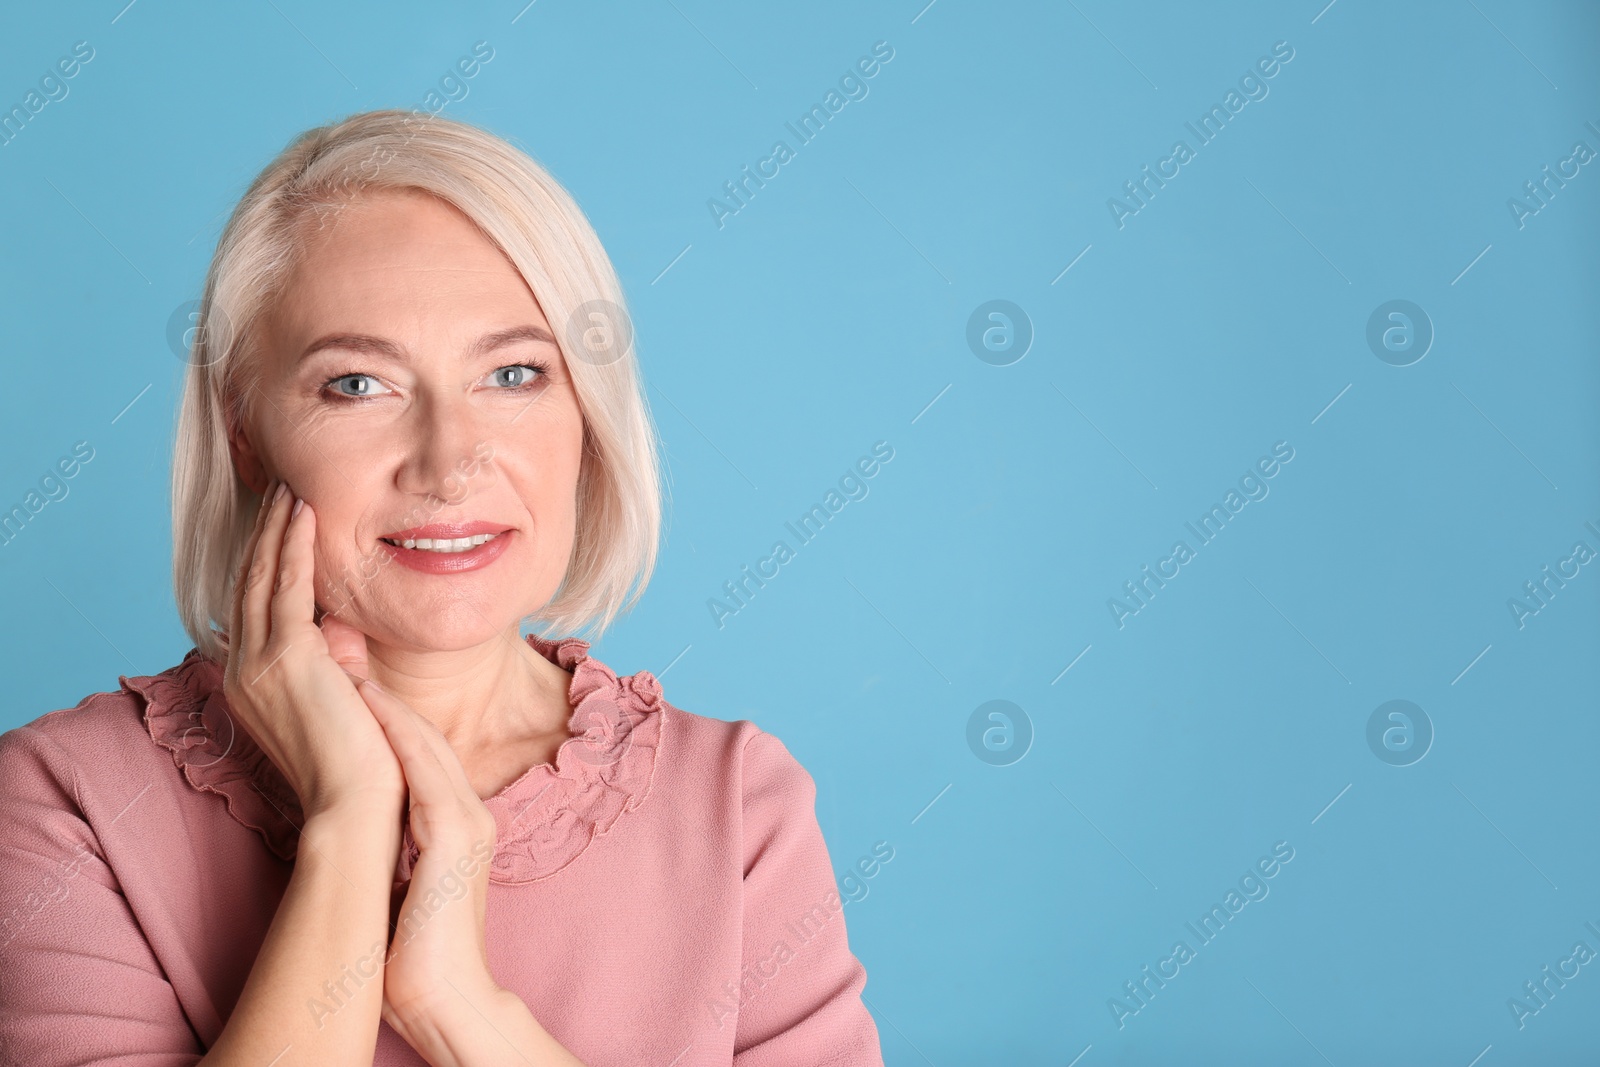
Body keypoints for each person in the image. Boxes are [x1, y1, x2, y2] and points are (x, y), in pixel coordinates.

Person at [0, 108, 884, 1067]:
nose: (450, 460)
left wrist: (462, 1007)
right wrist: (348, 824)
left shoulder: (739, 809)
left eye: (513, 372)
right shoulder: (66, 802)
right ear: (246, 434)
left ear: (587, 415)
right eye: (357, 385)